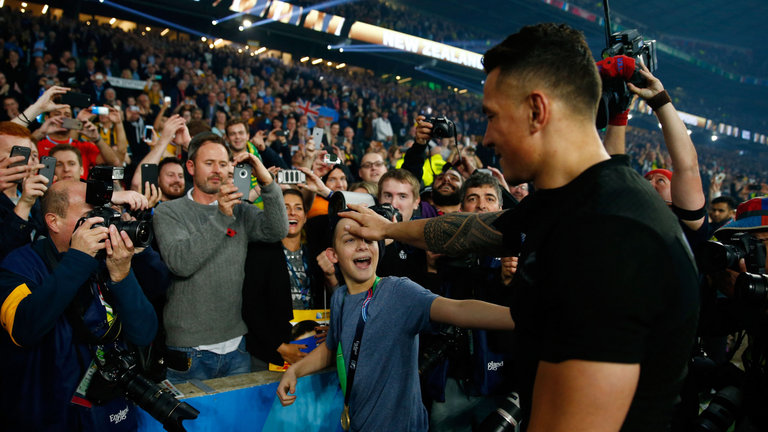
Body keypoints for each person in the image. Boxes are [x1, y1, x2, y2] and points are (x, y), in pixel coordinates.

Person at [341, 23, 699, 432]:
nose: (488, 136)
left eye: (492, 116)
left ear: (537, 110)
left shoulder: (610, 235)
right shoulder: (571, 202)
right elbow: (476, 229)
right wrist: (386, 230)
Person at [276, 212, 515, 432]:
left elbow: (459, 309)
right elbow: (331, 348)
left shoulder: (398, 292)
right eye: (350, 240)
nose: (362, 245)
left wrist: (519, 318)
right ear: (333, 255)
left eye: (368, 239)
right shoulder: (339, 297)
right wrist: (296, 370)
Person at [0, 180, 157, 430]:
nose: (103, 220)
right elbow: (24, 328)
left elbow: (144, 333)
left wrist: (122, 277)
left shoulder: (109, 260)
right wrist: (78, 259)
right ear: (53, 221)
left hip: (112, 411)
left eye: (105, 211)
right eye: (90, 215)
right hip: (51, 415)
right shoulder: (19, 264)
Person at [152, 132, 288, 383]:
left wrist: (267, 181)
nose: (217, 170)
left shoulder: (242, 210)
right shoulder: (168, 212)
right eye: (209, 163)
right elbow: (181, 263)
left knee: (235, 423)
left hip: (237, 346)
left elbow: (278, 229)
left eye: (223, 164)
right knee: (188, 424)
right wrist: (222, 217)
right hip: (189, 350)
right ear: (190, 167)